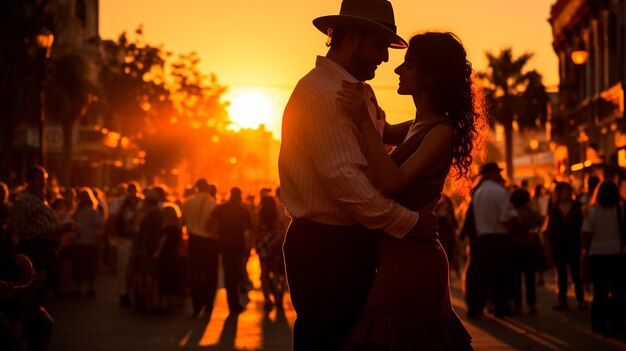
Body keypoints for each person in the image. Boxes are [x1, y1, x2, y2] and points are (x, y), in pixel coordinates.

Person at [278, 1, 439, 349]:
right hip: (328, 247)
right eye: (379, 45)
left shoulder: (353, 91)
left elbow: (382, 143)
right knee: (331, 338)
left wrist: (438, 125)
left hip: (344, 244)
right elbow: (348, 184)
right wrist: (410, 222)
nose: (384, 58)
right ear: (351, 37)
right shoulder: (325, 94)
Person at [336, 31, 479, 350]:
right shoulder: (416, 126)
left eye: (408, 66)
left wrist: (362, 120)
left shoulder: (441, 132)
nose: (398, 71)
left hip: (414, 261)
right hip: (397, 254)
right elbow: (380, 131)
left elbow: (391, 181)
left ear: (429, 76)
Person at [11, 166, 74, 291]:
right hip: (35, 248)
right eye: (40, 179)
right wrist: (62, 227)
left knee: (45, 288)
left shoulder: (39, 199)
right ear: (29, 181)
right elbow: (20, 226)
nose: (44, 183)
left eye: (44, 179)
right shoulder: (25, 200)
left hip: (45, 247)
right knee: (37, 288)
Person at [465, 162, 515, 318]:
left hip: (482, 239)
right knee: (501, 275)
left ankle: (476, 308)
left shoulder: (477, 194)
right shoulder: (501, 192)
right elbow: (505, 217)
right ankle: (501, 307)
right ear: (492, 174)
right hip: (499, 238)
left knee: (480, 276)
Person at [581, 180, 626, 333]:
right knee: (618, 290)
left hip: (597, 255)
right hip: (618, 254)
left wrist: (585, 250)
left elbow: (586, 234)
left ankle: (598, 323)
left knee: (600, 290)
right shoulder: (621, 209)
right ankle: (616, 321)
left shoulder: (592, 212)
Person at [208, 187, 252, 314]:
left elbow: (210, 221)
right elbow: (249, 230)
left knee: (228, 273)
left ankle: (231, 302)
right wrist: (248, 245)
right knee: (237, 273)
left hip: (224, 244)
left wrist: (213, 233)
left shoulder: (221, 208)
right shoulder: (243, 211)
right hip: (238, 245)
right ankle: (234, 301)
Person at [181, 179, 219, 316]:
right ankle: (208, 303)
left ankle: (197, 305)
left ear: (196, 188)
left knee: (195, 273)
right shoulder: (212, 202)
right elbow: (215, 223)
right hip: (209, 242)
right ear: (208, 188)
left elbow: (182, 223)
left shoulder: (188, 202)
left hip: (194, 241)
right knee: (210, 273)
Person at [547, 182, 587, 310]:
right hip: (558, 244)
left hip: (574, 243)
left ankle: (580, 299)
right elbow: (550, 227)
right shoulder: (554, 208)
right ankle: (562, 299)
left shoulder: (578, 206)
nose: (567, 193)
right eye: (564, 190)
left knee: (576, 272)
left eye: (568, 190)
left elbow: (583, 225)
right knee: (561, 273)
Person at [70, 188, 103, 297]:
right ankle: (90, 288)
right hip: (90, 242)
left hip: (77, 242)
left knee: (78, 266)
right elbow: (99, 226)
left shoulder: (76, 212)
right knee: (89, 266)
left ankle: (77, 289)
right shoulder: (93, 212)